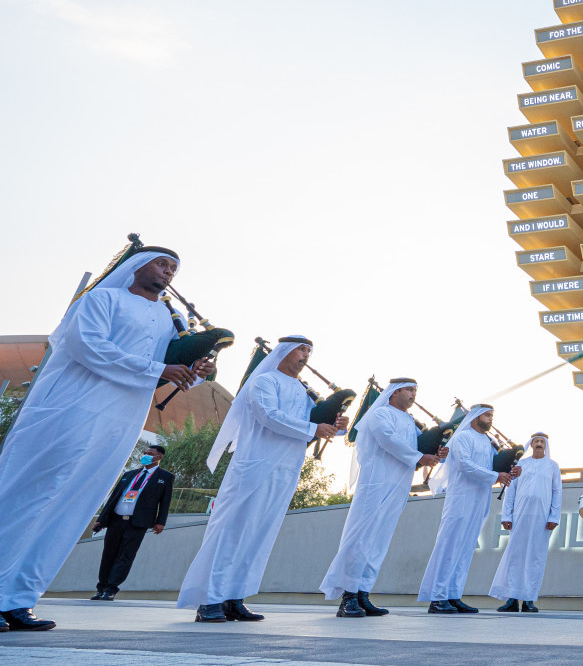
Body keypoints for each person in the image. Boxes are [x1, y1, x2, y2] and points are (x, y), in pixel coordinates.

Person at [0, 246, 208, 632]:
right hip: (74, 409)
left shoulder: (168, 320)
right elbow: (87, 346)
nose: (168, 272)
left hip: (121, 420)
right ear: (136, 266)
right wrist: (158, 367)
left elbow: (169, 370)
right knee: (33, 495)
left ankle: (19, 599)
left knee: (72, 505)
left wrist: (195, 369)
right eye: (162, 263)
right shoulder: (102, 299)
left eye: (174, 268)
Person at [177, 336, 343, 622]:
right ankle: (208, 600)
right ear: (283, 351)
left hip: (285, 470)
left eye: (309, 351)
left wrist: (337, 428)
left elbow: (313, 425)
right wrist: (313, 428)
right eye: (300, 349)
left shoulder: (304, 391)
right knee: (231, 531)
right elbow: (269, 416)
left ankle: (234, 597)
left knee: (259, 535)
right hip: (253, 466)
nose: (305, 355)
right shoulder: (264, 381)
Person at [320, 378, 441, 617]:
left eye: (415, 390)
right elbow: (389, 440)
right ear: (394, 392)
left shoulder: (409, 421)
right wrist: (419, 457)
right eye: (409, 390)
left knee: (379, 542)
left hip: (398, 487)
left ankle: (363, 593)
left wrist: (436, 451)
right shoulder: (379, 414)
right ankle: (348, 597)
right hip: (375, 484)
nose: (413, 394)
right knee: (361, 539)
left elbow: (419, 444)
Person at [418, 404, 517, 614]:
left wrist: (510, 470)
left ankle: (453, 595)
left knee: (465, 549)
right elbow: (465, 465)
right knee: (450, 546)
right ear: (475, 417)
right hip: (461, 499)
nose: (490, 419)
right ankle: (437, 597)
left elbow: (495, 466)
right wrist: (495, 476)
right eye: (487, 415)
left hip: (480, 500)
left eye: (491, 415)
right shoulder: (462, 437)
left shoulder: (488, 442)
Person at [91, 444, 175, 600]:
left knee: (125, 556)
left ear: (159, 457)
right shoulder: (129, 474)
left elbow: (165, 501)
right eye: (145, 452)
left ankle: (111, 589)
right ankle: (101, 587)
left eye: (150, 453)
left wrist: (161, 521)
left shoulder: (165, 477)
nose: (146, 455)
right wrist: (101, 520)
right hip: (116, 520)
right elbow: (114, 497)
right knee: (108, 554)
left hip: (137, 523)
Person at [490, 432, 561, 612]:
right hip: (520, 516)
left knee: (535, 557)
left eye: (542, 441)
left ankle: (528, 599)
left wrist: (554, 517)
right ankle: (512, 599)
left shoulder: (552, 466)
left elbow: (557, 492)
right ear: (531, 444)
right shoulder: (521, 464)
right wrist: (507, 516)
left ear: (546, 445)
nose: (539, 444)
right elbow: (510, 490)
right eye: (536, 441)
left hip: (542, 518)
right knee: (515, 556)